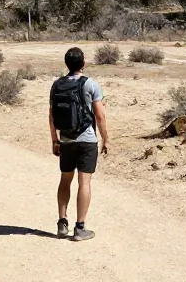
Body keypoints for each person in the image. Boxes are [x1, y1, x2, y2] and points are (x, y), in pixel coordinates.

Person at [48, 46, 108, 241]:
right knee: (84, 182)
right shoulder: (91, 85)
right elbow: (99, 115)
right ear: (83, 64)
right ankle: (80, 228)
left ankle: (62, 223)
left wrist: (55, 140)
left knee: (65, 180)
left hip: (66, 139)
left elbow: (51, 116)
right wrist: (106, 138)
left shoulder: (57, 85)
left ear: (66, 64)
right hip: (87, 140)